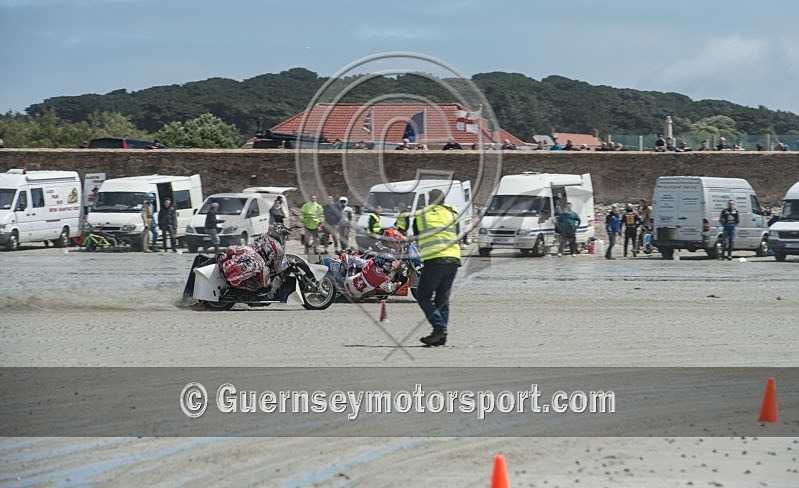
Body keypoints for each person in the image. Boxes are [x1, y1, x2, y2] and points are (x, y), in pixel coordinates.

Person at [414, 189, 461, 347]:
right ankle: (440, 337)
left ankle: (439, 327)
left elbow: (416, 235)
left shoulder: (421, 215)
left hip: (434, 260)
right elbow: (458, 233)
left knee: (423, 296)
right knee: (442, 299)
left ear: (429, 200)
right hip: (453, 259)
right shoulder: (453, 213)